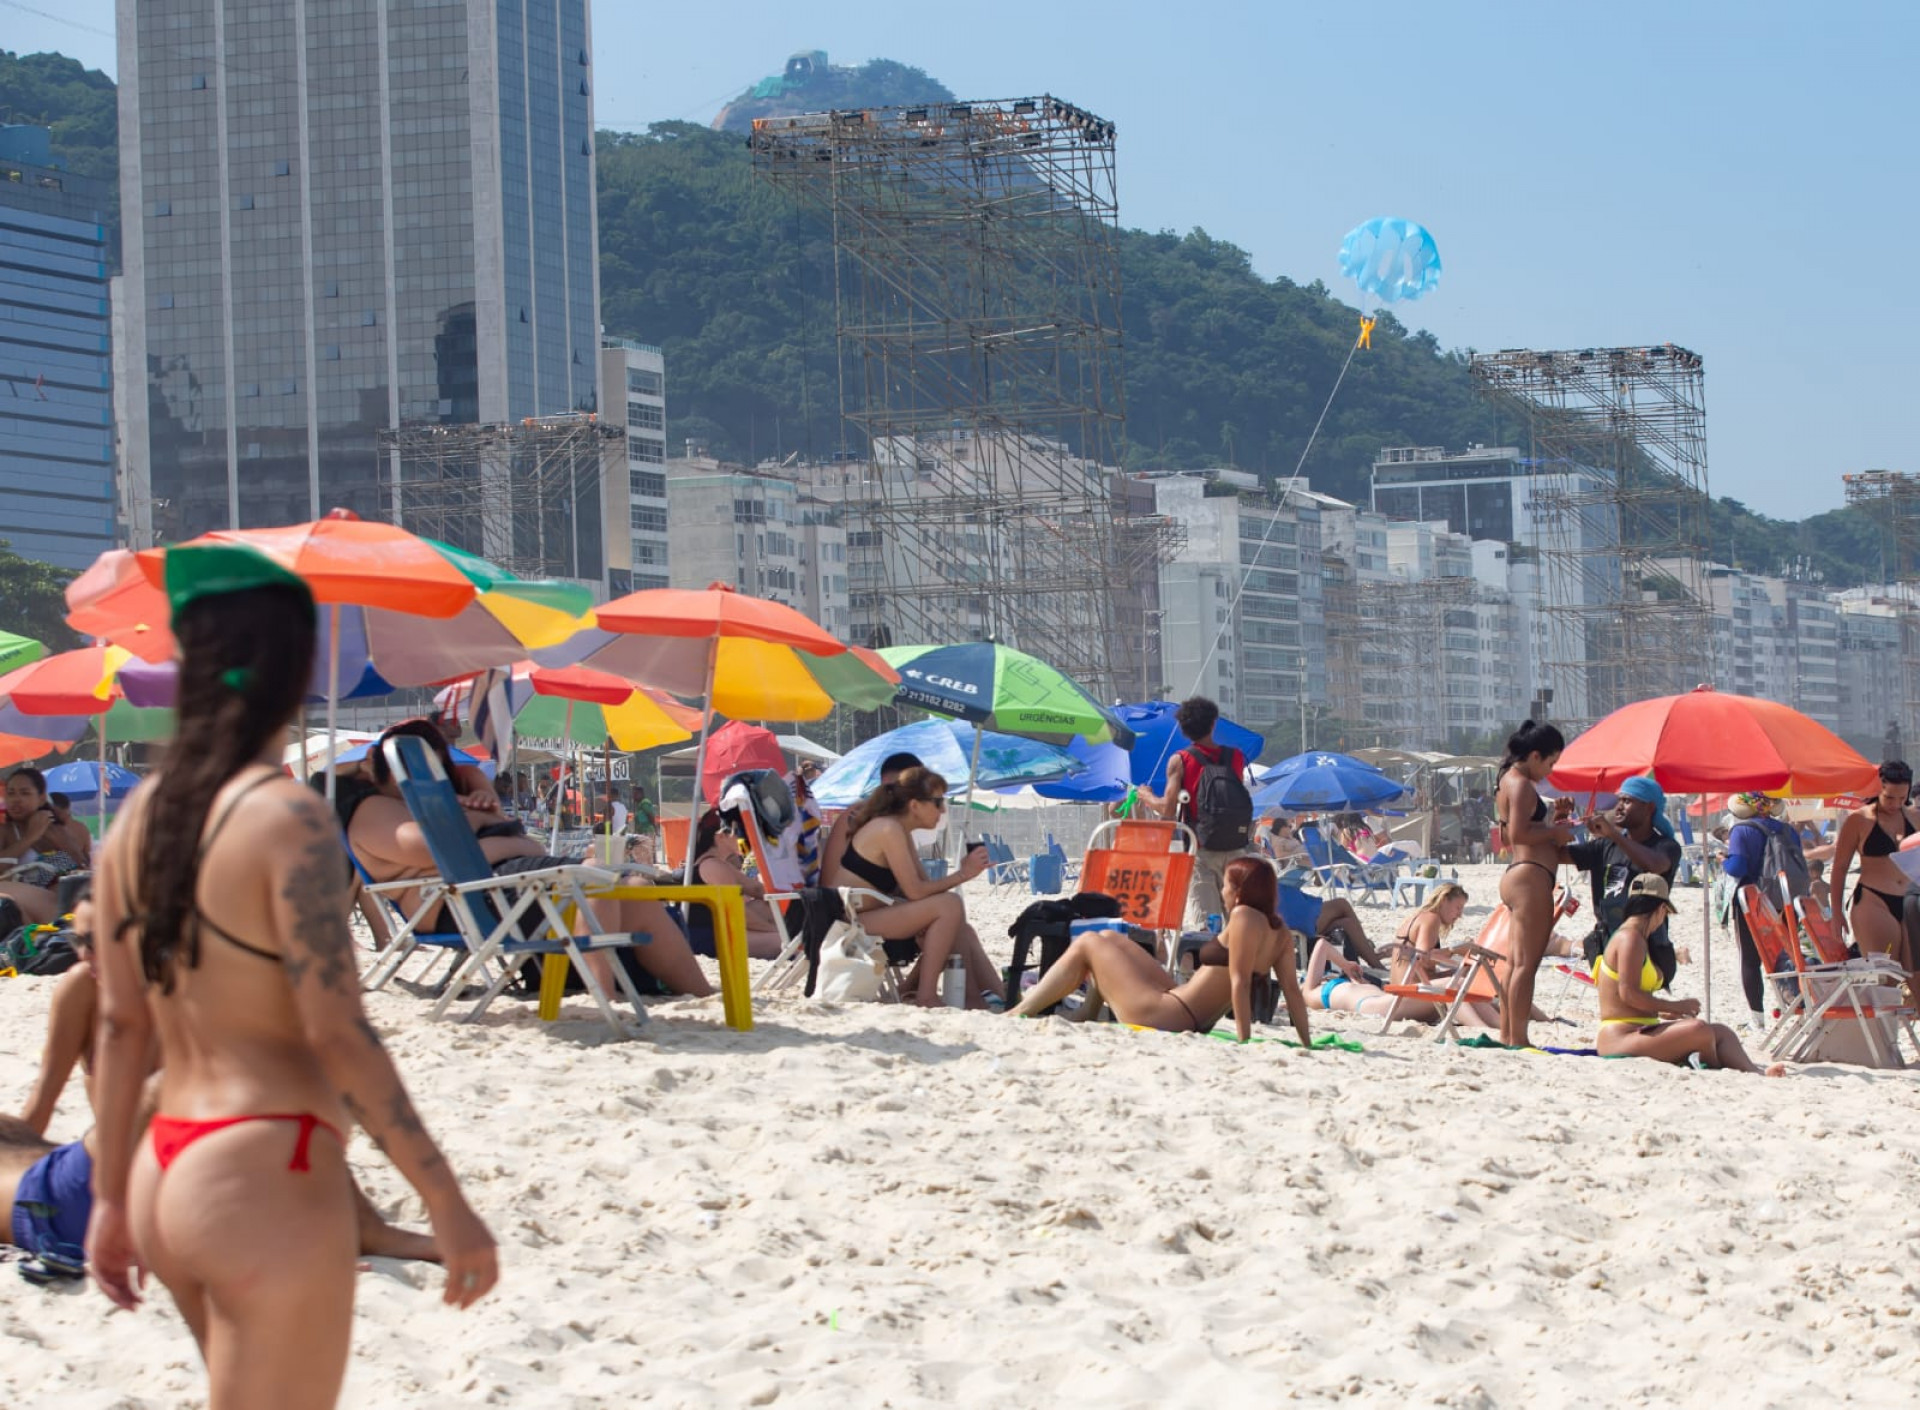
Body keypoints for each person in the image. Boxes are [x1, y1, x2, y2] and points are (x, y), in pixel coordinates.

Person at [86, 542, 498, 1406]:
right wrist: (443, 1199)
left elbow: (122, 1029)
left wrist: (111, 1199)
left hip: (166, 1166)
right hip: (269, 1163)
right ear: (292, 674)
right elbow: (334, 1030)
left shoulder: (134, 825)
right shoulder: (287, 819)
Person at [16, 888, 437, 1267]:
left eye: (101, 940)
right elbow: (42, 1103)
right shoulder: (81, 991)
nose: (87, 955)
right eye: (78, 941)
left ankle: (349, 1226)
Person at [346, 719, 711, 999]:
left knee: (632, 892)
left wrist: (470, 787)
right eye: (415, 761)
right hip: (467, 902)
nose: (426, 771)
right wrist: (483, 819)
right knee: (593, 876)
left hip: (496, 887)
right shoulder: (373, 808)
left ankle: (702, 994)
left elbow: (497, 837)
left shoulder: (436, 803)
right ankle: (606, 997)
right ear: (373, 764)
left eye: (435, 761)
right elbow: (430, 846)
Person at [1013, 856, 1311, 1046]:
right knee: (1110, 939)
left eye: (1227, 884)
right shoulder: (1280, 933)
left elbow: (1240, 980)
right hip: (1180, 1005)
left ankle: (1020, 1011)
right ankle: (1088, 1012)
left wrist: (1243, 1041)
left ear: (1240, 891)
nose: (1222, 890)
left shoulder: (1244, 916)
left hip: (1169, 1015)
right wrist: (1306, 1043)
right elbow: (1292, 993)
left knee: (1089, 941)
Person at [827, 767, 999, 1007]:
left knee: (959, 923)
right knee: (950, 905)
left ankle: (989, 996)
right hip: (844, 922)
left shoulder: (899, 829)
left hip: (864, 915)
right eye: (937, 802)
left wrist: (962, 873)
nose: (942, 810)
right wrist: (963, 874)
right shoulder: (888, 829)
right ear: (915, 805)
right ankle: (926, 995)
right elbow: (915, 892)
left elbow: (925, 888)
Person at [1593, 875, 1784, 1075]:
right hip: (1621, 1037)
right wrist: (1676, 1006)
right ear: (1660, 909)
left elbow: (1628, 998)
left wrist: (1663, 1011)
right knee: (1699, 1030)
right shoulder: (1629, 939)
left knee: (1722, 1033)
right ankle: (1710, 1067)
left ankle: (1755, 1073)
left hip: (1641, 1029)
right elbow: (1628, 994)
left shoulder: (1636, 937)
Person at [1137, 696, 1255, 927]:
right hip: (1236, 847)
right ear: (1214, 724)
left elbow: (1168, 810)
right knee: (1239, 922)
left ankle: (1211, 960)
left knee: (1207, 925)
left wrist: (1146, 796)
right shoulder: (1236, 757)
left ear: (1182, 729)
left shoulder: (1180, 760)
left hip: (1200, 848)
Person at [1494, 721, 1575, 1049]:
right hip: (1530, 876)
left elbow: (1513, 833)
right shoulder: (1523, 784)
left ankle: (1507, 1035)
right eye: (1551, 763)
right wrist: (1556, 833)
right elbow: (1518, 836)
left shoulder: (1507, 781)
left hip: (1519, 874)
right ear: (1535, 755)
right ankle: (1518, 1039)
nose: (1551, 771)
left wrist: (1555, 822)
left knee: (1515, 963)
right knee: (1526, 965)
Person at [1563, 774, 1685, 983]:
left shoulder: (1665, 846)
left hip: (1646, 944)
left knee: (1634, 1002)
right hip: (1606, 941)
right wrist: (1560, 821)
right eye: (1619, 800)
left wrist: (1614, 834)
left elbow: (1655, 865)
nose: (1619, 807)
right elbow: (1557, 854)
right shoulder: (1604, 847)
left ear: (1648, 808)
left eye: (1627, 801)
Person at [1722, 791, 1809, 1027]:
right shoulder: (1788, 830)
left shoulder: (1742, 830)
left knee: (1751, 960)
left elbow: (1738, 867)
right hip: (1786, 900)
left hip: (1754, 902)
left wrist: (1723, 860)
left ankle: (1756, 1018)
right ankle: (1797, 1005)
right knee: (1787, 955)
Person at [1829, 759, 1918, 971]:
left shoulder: (1916, 817)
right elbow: (1840, 867)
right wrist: (1836, 912)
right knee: (1885, 974)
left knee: (1915, 977)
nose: (1895, 804)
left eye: (1902, 798)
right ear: (1877, 788)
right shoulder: (1858, 820)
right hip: (1873, 900)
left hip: (1910, 901)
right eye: (1889, 797)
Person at [690, 808, 784, 960]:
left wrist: (793, 895)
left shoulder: (717, 863)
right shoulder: (713, 866)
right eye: (741, 832)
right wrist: (773, 930)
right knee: (784, 942)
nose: (745, 838)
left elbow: (757, 889)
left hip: (721, 927)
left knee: (767, 905)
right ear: (720, 836)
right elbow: (737, 912)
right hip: (710, 936)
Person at [819, 750, 922, 884]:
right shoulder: (870, 815)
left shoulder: (886, 816)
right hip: (843, 901)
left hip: (857, 898)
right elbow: (915, 887)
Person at [0, 766, 82, 926]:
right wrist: (30, 837)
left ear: (42, 798)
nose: (16, 800)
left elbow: (80, 865)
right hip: (19, 909)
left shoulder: (58, 830)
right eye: (11, 793)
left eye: (25, 793)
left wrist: (60, 843)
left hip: (59, 904)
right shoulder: (5, 831)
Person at [45, 792, 92, 869]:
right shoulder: (81, 828)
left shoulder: (50, 828)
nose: (54, 816)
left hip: (69, 872)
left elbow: (86, 855)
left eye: (57, 813)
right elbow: (87, 855)